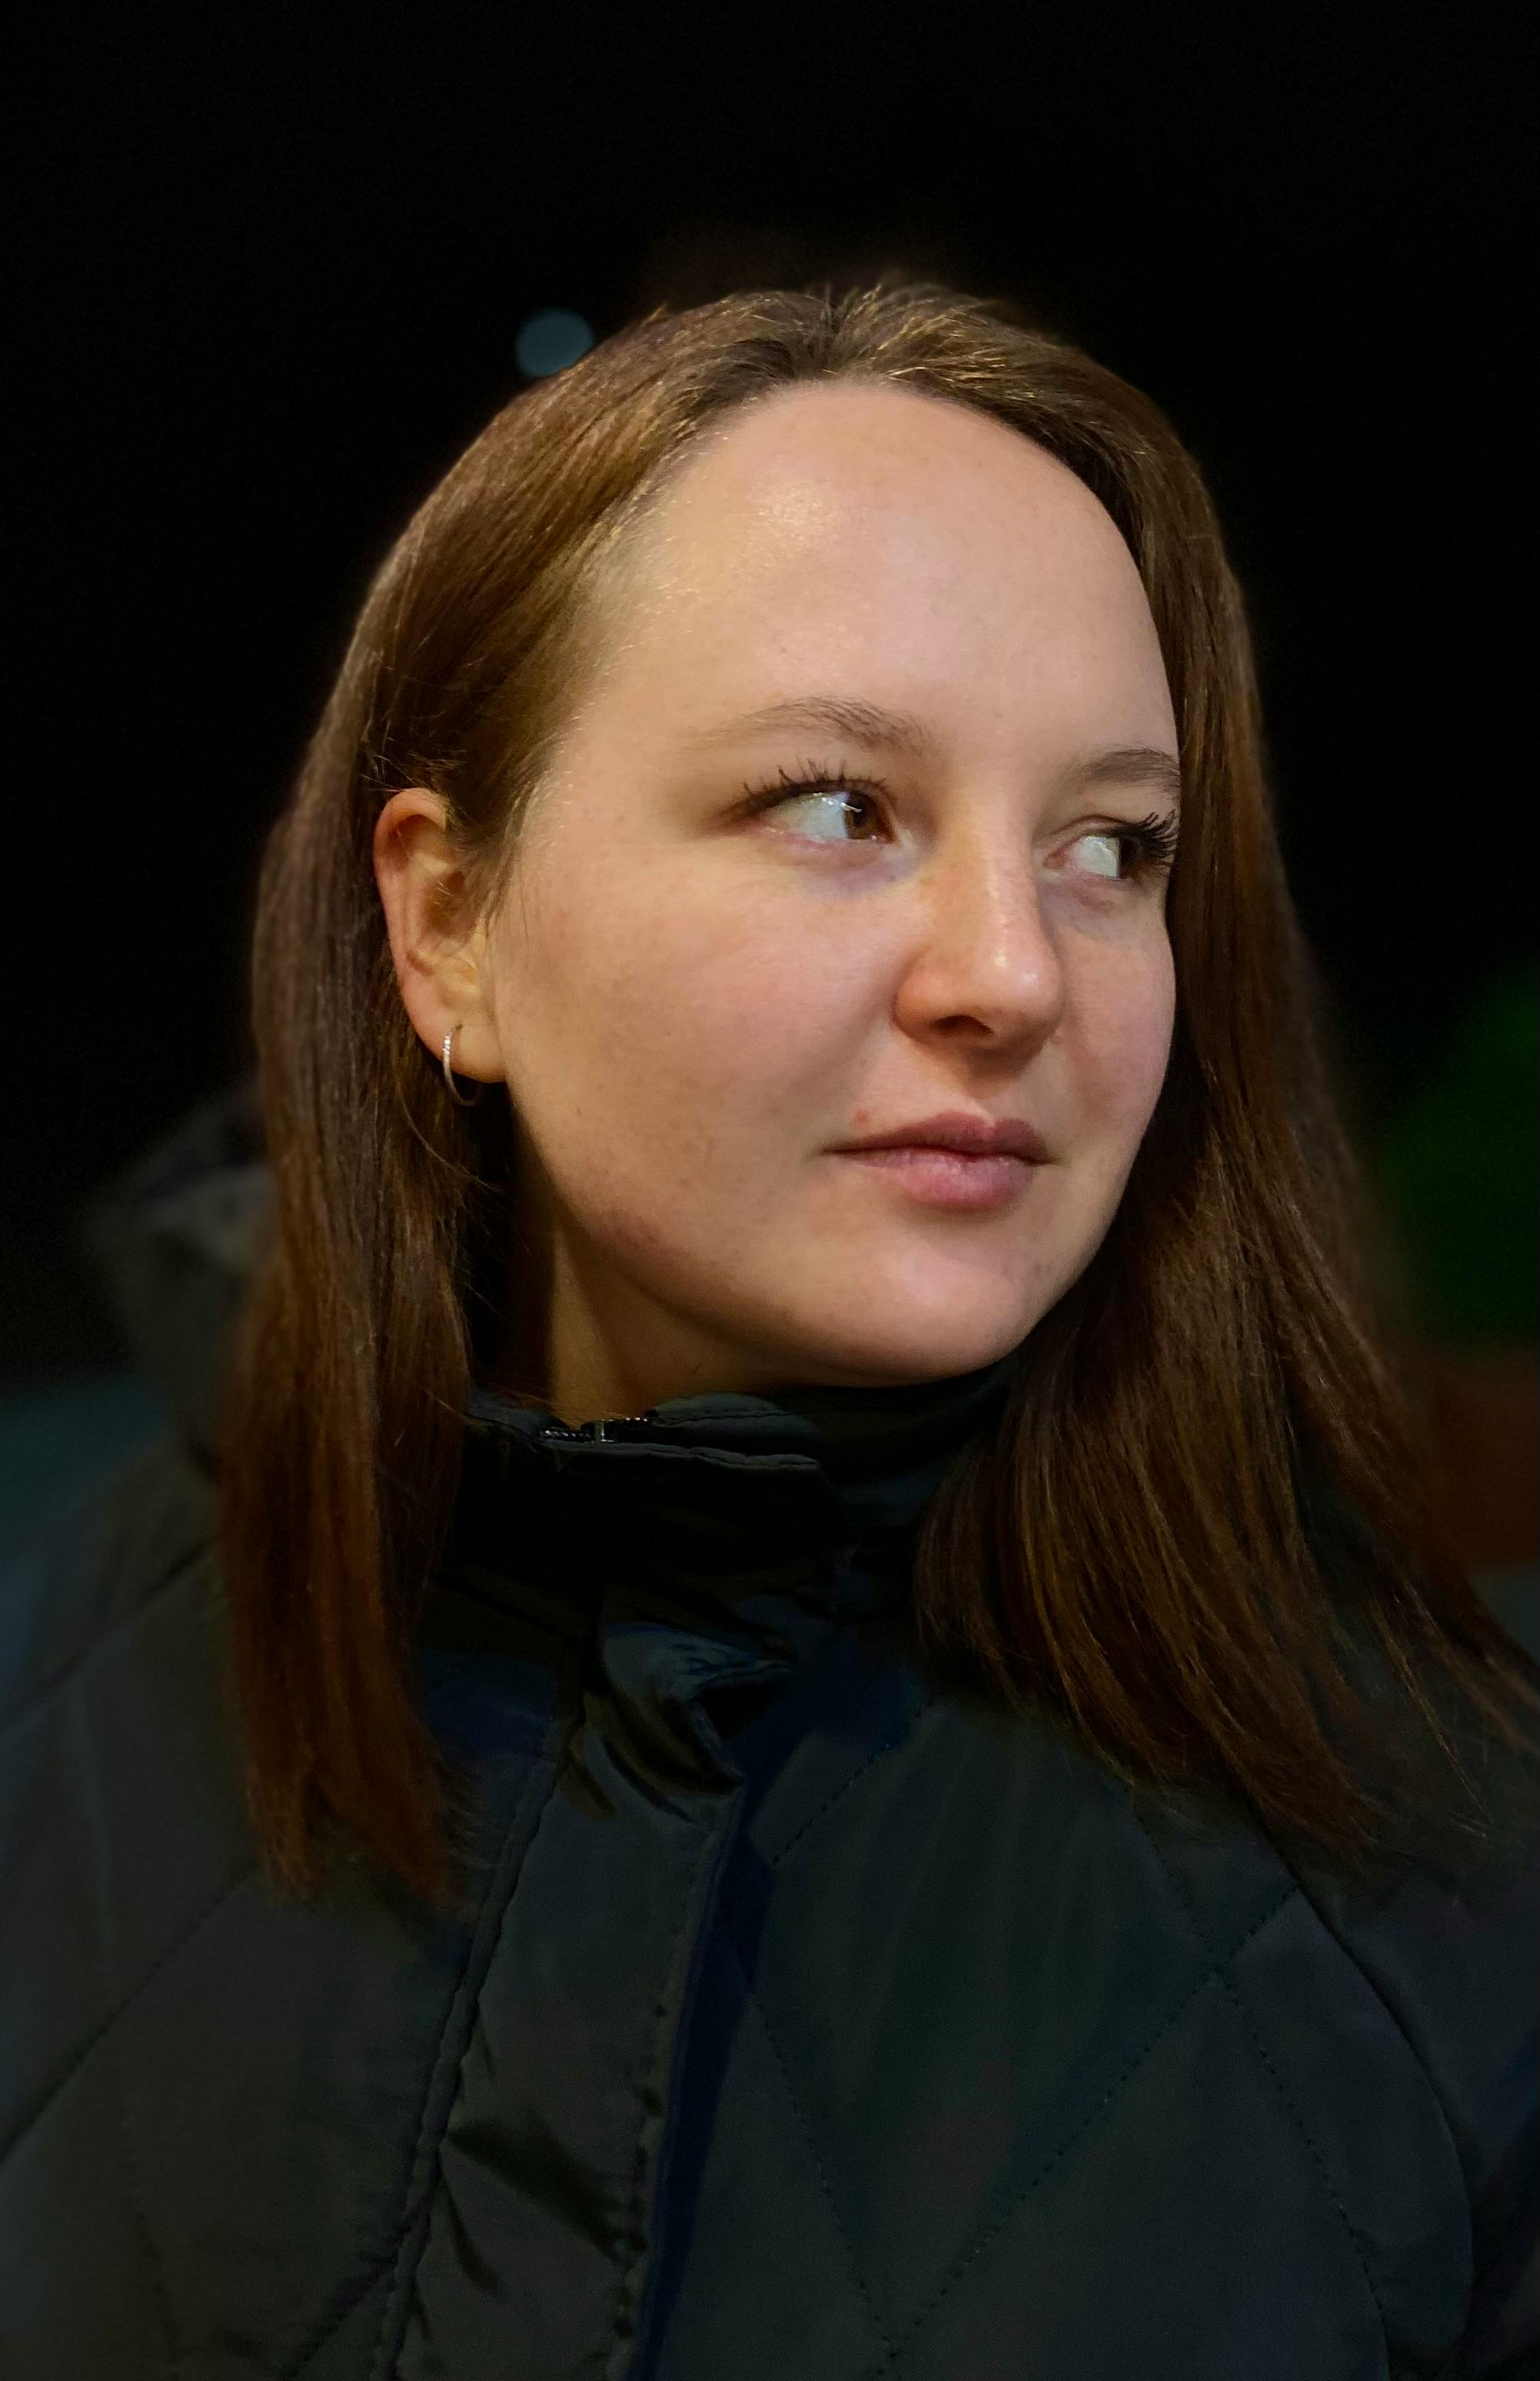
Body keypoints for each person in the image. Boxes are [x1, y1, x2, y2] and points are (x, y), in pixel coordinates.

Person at [3, 281, 1536, 2380]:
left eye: (1111, 848)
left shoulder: (1455, 1879)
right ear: (446, 922)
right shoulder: (53, 1685)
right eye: (837, 806)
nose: (1013, 972)